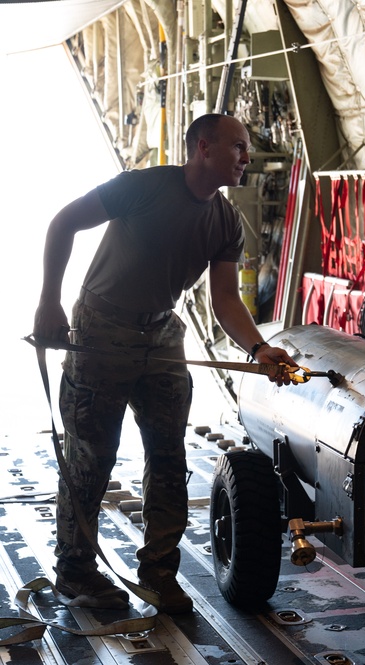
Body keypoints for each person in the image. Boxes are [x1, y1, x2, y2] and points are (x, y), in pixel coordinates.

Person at [32, 113, 297, 615]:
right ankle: (76, 571)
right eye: (238, 147)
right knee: (92, 454)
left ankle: (158, 573)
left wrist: (258, 349)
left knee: (169, 458)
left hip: (160, 333)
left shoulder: (226, 223)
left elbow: (225, 302)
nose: (247, 157)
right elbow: (63, 221)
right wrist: (49, 301)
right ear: (203, 147)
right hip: (100, 327)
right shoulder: (143, 187)